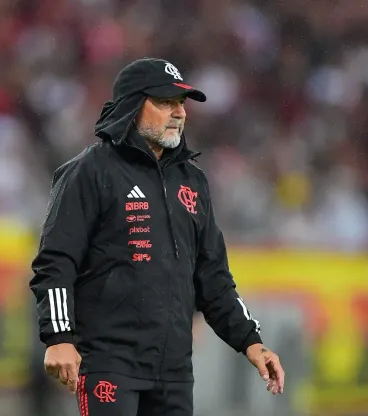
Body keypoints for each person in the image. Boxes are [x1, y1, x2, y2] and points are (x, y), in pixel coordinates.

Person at [29, 57, 285, 416]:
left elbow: (214, 279)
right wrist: (58, 337)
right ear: (133, 106)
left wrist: (251, 342)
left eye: (181, 103)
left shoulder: (193, 182)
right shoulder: (89, 171)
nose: (178, 112)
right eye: (165, 102)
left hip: (175, 371)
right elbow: (55, 262)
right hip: (109, 362)